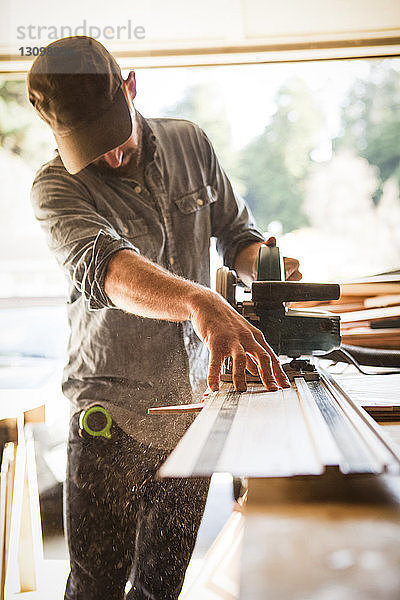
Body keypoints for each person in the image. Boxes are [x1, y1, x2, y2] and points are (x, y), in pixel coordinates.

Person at [27, 36, 300, 600]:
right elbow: (108, 269)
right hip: (109, 416)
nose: (108, 157)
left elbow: (236, 236)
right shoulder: (54, 186)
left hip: (192, 410)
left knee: (162, 587)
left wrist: (264, 265)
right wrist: (203, 302)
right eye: (87, 147)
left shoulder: (190, 144)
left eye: (112, 136)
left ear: (131, 88)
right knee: (95, 587)